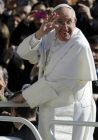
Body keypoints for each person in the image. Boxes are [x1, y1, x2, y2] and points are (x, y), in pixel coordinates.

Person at [10, 4, 97, 140]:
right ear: (52, 22)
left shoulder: (79, 44)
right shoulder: (49, 36)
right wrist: (39, 34)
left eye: (68, 22)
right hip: (50, 106)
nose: (65, 27)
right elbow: (23, 53)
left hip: (72, 111)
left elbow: (57, 81)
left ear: (75, 21)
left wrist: (25, 96)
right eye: (60, 22)